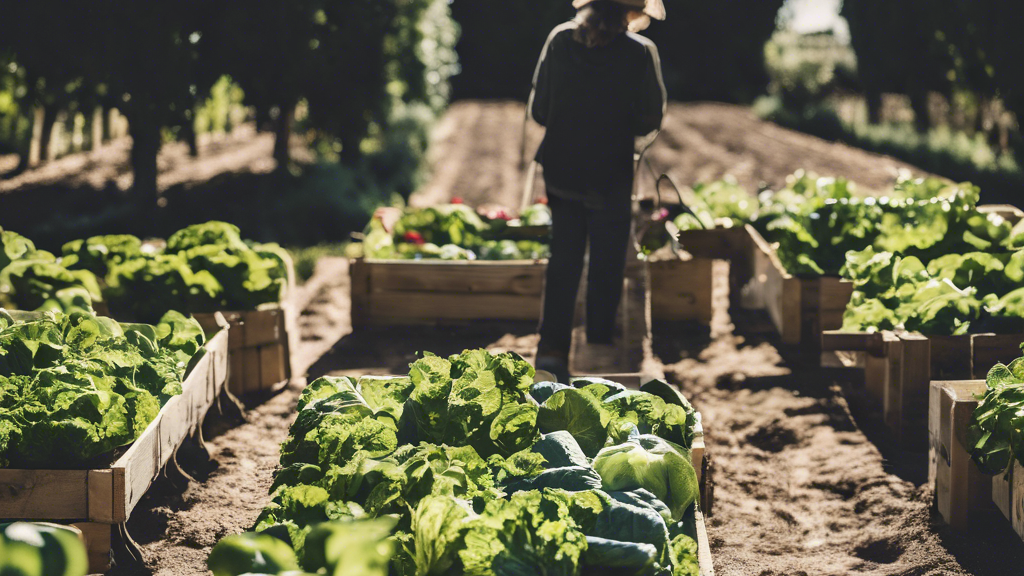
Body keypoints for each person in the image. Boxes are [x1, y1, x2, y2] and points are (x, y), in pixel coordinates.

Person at [529, 0, 667, 383]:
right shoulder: (641, 52)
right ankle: (598, 352)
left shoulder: (559, 40)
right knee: (606, 264)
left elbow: (540, 110)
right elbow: (650, 119)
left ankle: (552, 355)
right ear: (631, 11)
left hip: (562, 172)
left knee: (564, 260)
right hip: (612, 174)